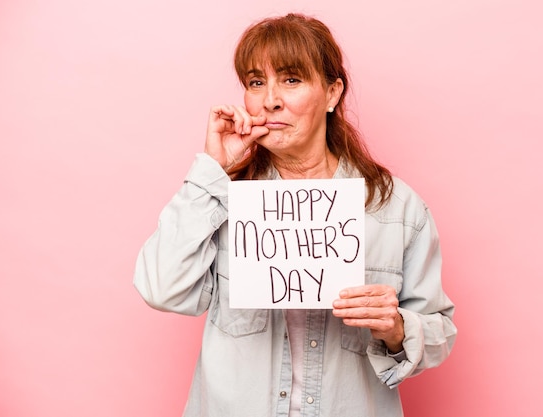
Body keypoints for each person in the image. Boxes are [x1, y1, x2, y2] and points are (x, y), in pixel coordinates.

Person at [134, 13, 456, 417]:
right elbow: (161, 288)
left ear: (333, 93)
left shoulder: (396, 209)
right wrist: (212, 172)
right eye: (256, 82)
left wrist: (395, 328)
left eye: (291, 79)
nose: (270, 99)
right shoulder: (221, 198)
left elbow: (439, 330)